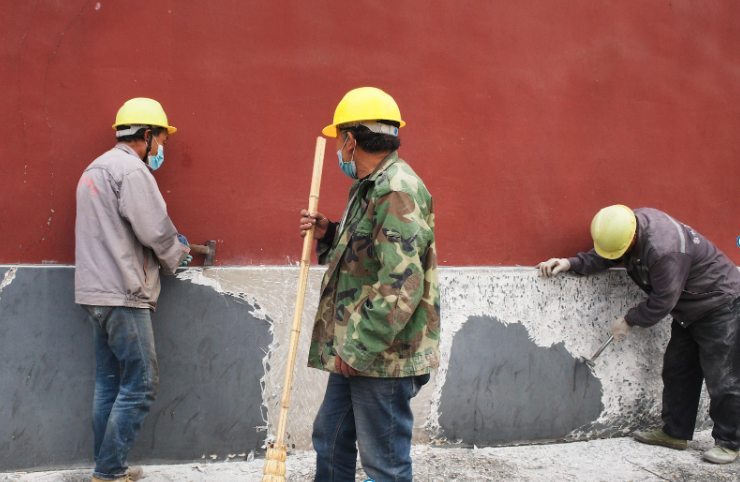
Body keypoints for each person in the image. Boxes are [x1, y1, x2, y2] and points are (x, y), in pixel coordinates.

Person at [298, 87, 440, 481]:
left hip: (382, 356)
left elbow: (401, 285)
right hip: (358, 348)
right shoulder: (369, 186)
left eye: (340, 139)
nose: (339, 149)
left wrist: (358, 347)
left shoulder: (395, 189)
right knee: (331, 437)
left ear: (350, 139)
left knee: (384, 462)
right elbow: (365, 259)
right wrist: (328, 235)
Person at [537, 205, 740, 464]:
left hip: (719, 304)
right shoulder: (625, 226)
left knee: (723, 378)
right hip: (689, 309)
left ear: (633, 237)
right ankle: (675, 433)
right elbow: (608, 255)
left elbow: (664, 299)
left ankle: (729, 443)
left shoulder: (664, 250)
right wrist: (570, 263)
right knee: (678, 371)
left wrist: (629, 320)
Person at [75, 98, 191, 482]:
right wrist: (179, 252)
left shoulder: (94, 169)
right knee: (141, 385)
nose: (162, 148)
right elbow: (155, 229)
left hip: (94, 293)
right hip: (124, 295)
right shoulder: (132, 171)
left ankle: (103, 468)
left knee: (109, 384)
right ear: (146, 135)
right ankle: (110, 471)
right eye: (161, 139)